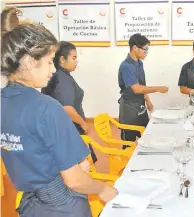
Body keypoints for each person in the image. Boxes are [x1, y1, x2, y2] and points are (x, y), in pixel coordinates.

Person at [1, 23, 117, 217]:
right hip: (62, 206)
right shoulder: (46, 107)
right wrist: (103, 190)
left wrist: (71, 165)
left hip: (30, 206)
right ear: (30, 62)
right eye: (48, 62)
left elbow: (29, 151)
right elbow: (75, 181)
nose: (53, 69)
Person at [41, 41, 97, 163]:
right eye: (74, 58)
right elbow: (66, 108)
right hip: (70, 130)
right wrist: (83, 123)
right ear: (62, 59)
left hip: (61, 130)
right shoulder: (62, 79)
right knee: (79, 168)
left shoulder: (58, 76)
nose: (76, 62)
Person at [118, 33, 168, 141]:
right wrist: (158, 89)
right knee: (129, 143)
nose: (146, 53)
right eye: (145, 49)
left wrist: (148, 100)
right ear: (135, 48)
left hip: (140, 107)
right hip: (129, 109)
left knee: (146, 137)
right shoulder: (126, 66)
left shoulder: (139, 63)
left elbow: (142, 85)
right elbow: (136, 89)